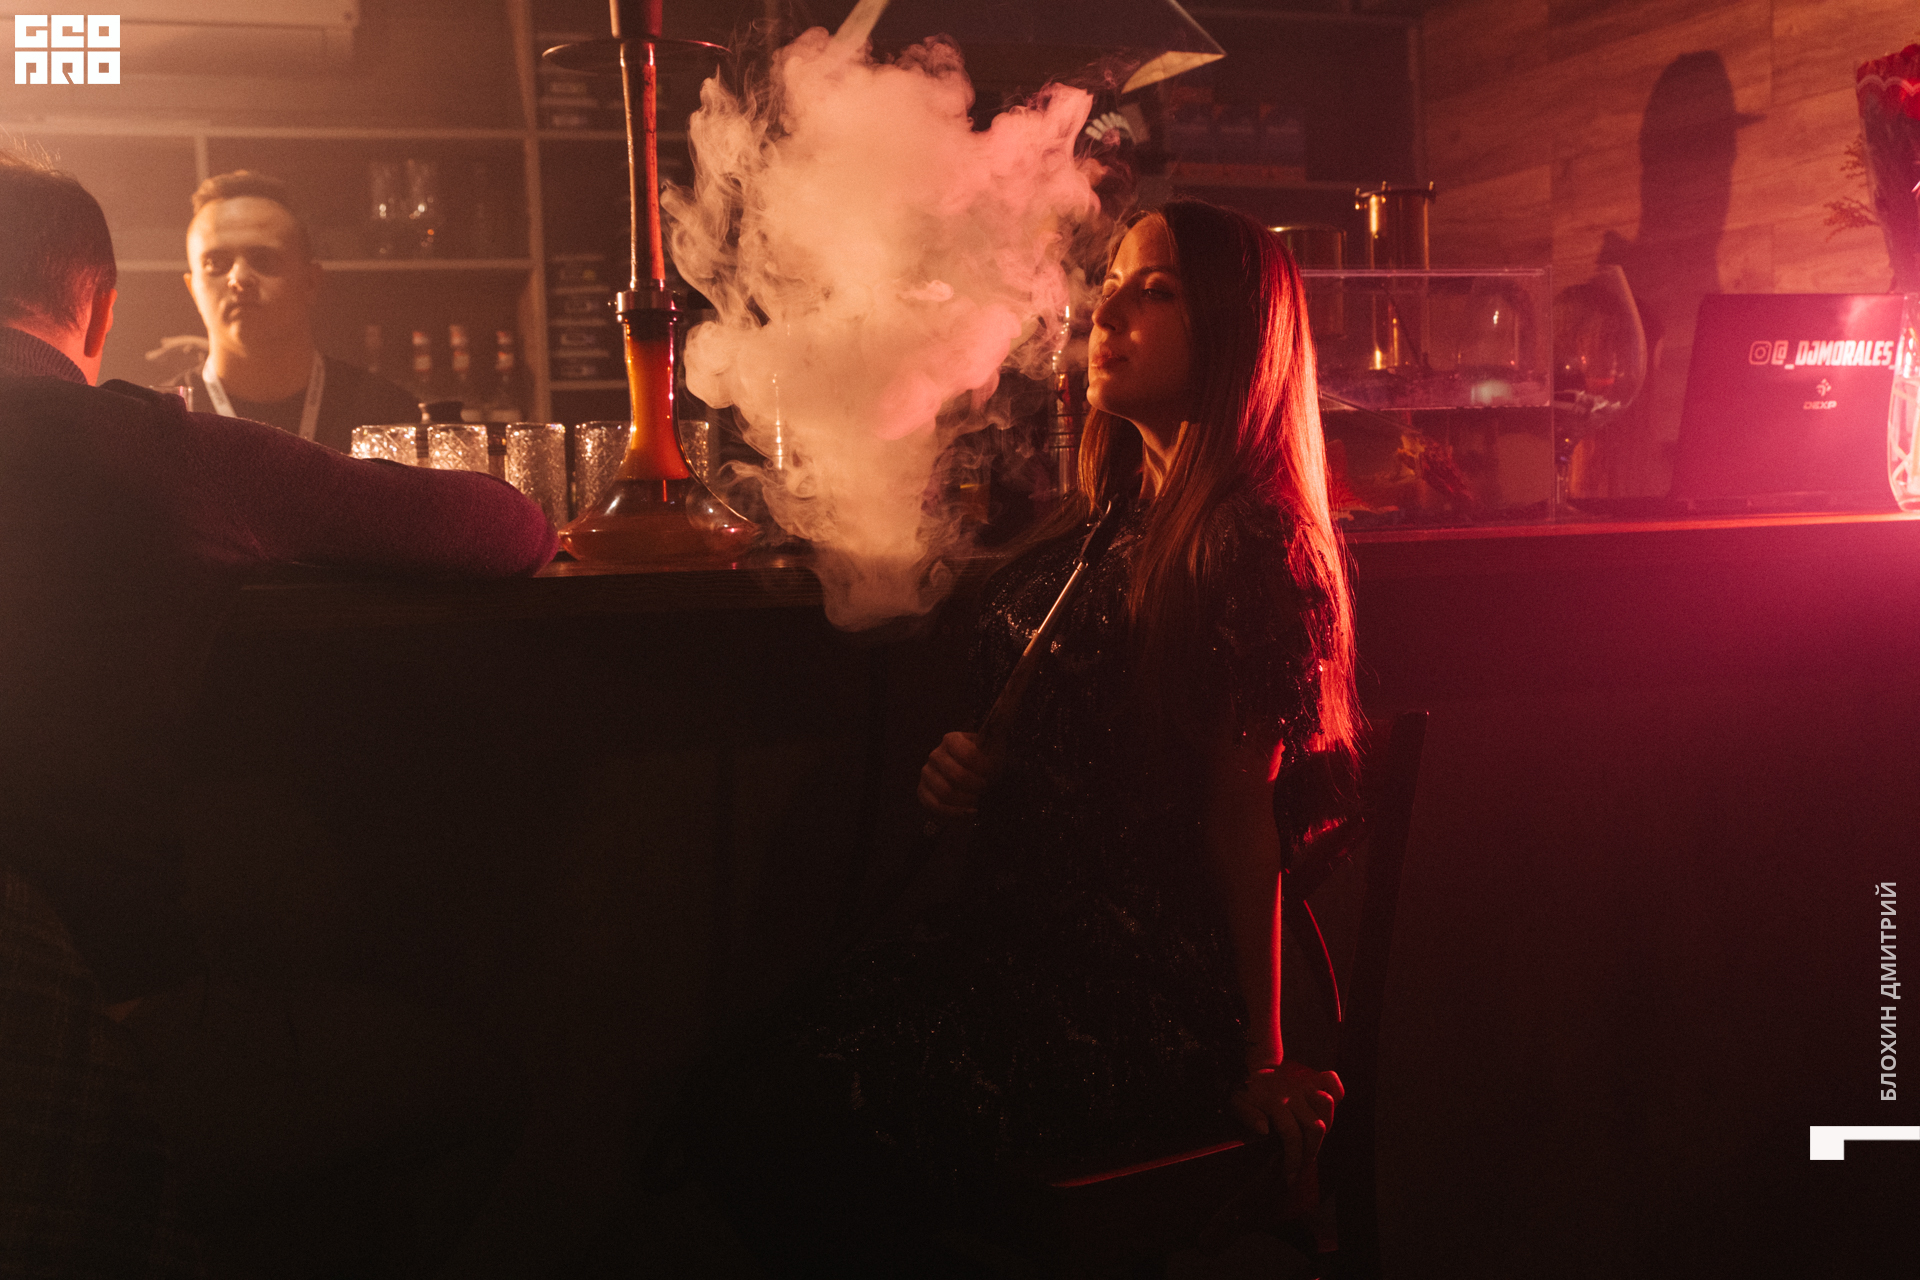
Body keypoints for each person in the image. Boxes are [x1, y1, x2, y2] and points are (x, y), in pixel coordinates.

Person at [685, 200, 1358, 1271]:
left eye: (1156, 291)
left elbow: (1244, 819)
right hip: (1018, 951)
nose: (1108, 313)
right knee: (742, 1088)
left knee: (786, 1115)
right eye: (1112, 285)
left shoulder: (1246, 544)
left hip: (1127, 993)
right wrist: (973, 767)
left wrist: (1265, 1055)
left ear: (1238, 335)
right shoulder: (1116, 517)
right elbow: (1089, 734)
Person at [0, 148, 555, 1275]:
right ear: (99, 305)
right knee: (483, 1087)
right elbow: (511, 530)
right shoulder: (152, 447)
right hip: (98, 1024)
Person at [179, 170, 419, 449]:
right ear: (192, 289)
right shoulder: (160, 423)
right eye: (215, 263)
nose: (239, 278)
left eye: (263, 259)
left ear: (310, 282)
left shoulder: (391, 416)